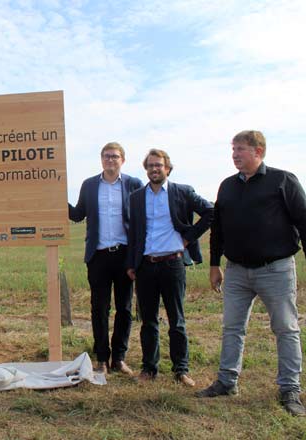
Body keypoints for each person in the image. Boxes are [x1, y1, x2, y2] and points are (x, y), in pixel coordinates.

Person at [197, 130, 306, 416]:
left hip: (276, 270)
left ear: (258, 151)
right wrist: (213, 265)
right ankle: (226, 382)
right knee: (232, 327)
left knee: (286, 328)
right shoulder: (227, 186)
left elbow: (303, 221)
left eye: (240, 149)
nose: (234, 154)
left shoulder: (283, 180)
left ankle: (289, 389)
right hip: (236, 272)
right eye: (233, 149)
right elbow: (218, 228)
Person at [127, 149, 213, 386]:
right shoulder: (136, 197)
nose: (155, 169)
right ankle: (149, 369)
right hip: (146, 265)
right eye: (151, 165)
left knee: (177, 320)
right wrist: (132, 264)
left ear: (167, 168)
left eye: (159, 165)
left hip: (173, 263)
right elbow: (134, 233)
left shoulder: (182, 192)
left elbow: (210, 212)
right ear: (146, 169)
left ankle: (181, 370)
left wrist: (189, 238)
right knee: (148, 321)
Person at [68, 142, 142, 375]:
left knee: (124, 308)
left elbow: (141, 220)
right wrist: (56, 197)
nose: (110, 160)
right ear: (101, 160)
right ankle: (101, 358)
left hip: (124, 255)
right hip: (98, 256)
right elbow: (78, 214)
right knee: (99, 308)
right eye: (106, 156)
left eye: (115, 156)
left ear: (123, 160)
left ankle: (119, 358)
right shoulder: (89, 185)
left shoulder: (134, 184)